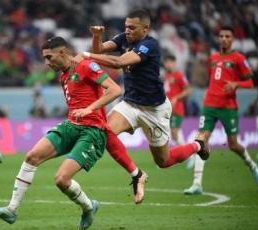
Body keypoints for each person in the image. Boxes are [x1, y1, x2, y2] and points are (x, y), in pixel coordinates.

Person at [0, 36, 122, 230]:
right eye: (45, 58)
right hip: (71, 125)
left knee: (61, 179)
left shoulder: (85, 66)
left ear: (62, 52)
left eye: (49, 57)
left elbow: (115, 89)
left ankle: (88, 207)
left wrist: (89, 109)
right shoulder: (63, 75)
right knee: (32, 156)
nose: (47, 63)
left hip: (92, 130)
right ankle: (12, 209)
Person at [82, 9, 209, 202]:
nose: (127, 31)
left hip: (155, 110)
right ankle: (137, 175)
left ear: (145, 29)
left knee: (163, 161)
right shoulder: (123, 38)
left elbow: (117, 62)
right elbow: (99, 50)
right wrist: (97, 37)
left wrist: (86, 55)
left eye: (132, 27)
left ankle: (197, 145)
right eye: (126, 26)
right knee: (103, 132)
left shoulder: (150, 45)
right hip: (130, 105)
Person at [184, 26, 258, 195]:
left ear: (232, 39)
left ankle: (252, 165)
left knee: (234, 145)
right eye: (221, 36)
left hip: (228, 107)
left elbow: (251, 82)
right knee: (201, 140)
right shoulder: (213, 57)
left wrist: (236, 84)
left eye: (227, 36)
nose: (224, 39)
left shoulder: (239, 58)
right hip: (210, 106)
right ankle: (197, 183)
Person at [162, 54, 194, 168]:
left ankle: (190, 155)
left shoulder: (179, 75)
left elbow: (189, 90)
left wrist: (177, 97)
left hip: (177, 109)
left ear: (174, 63)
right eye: (166, 62)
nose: (168, 64)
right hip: (166, 110)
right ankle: (165, 158)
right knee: (169, 135)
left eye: (170, 62)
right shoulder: (166, 76)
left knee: (175, 133)